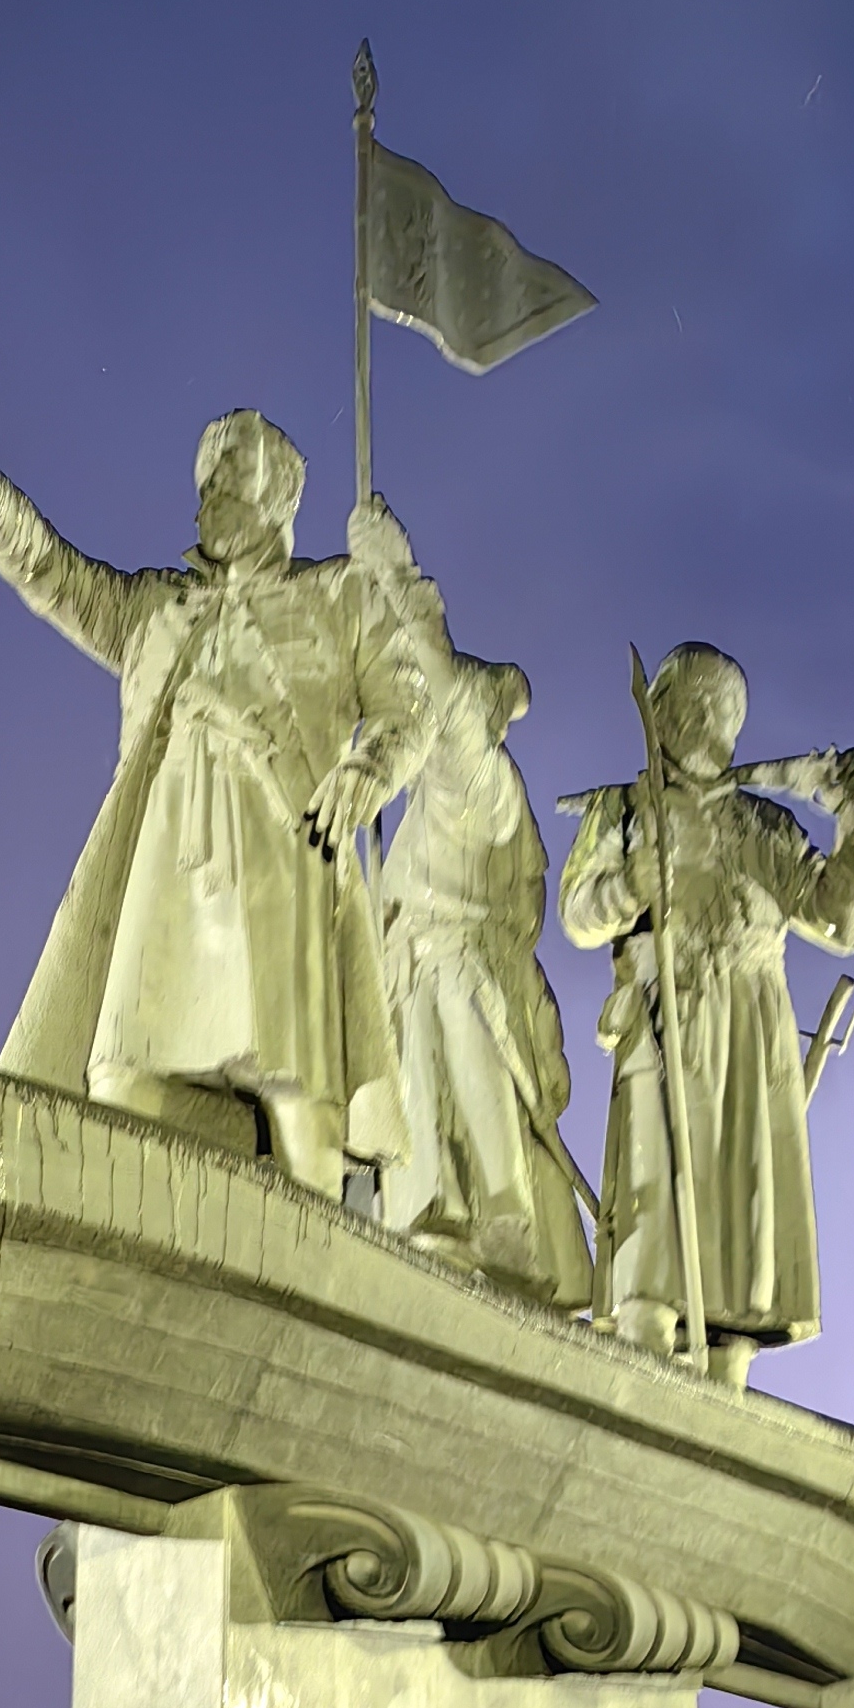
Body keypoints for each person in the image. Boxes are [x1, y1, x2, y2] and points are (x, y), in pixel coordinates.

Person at [0, 383, 434, 1198]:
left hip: (286, 845)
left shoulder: (342, 595)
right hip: (167, 849)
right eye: (206, 480)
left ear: (281, 498)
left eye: (231, 478)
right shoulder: (155, 607)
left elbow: (409, 703)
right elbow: (48, 571)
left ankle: (317, 1235)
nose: (210, 494)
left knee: (295, 1082)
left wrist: (370, 769)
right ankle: (162, 1219)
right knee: (123, 1073)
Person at [556, 642, 854, 1382]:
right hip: (665, 1017)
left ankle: (725, 1380)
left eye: (721, 708)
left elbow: (840, 919)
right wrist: (630, 888)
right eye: (693, 702)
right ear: (664, 709)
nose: (705, 720)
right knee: (653, 1194)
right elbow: (577, 914)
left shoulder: (763, 825)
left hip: (751, 1028)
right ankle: (641, 1351)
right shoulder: (624, 810)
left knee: (744, 1214)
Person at [350, 499, 592, 1308]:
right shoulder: (432, 797)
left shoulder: (482, 784)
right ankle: (433, 1218)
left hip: (460, 975)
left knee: (466, 1094)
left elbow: (441, 695)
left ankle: (496, 1223)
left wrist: (397, 578)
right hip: (417, 975)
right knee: (419, 1114)